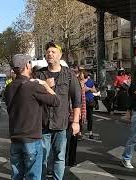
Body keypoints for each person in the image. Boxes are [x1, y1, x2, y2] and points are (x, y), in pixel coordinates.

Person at [5, 54, 60, 180]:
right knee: (33, 176)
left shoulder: (9, 88)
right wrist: (45, 85)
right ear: (27, 65)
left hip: (15, 138)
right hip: (31, 138)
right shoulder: (33, 86)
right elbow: (56, 101)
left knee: (16, 176)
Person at [35, 42, 82, 180]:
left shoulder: (69, 75)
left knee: (59, 157)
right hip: (42, 124)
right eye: (48, 52)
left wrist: (76, 122)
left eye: (53, 52)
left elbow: (76, 100)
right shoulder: (39, 74)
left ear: (60, 55)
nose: (50, 54)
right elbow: (32, 97)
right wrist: (44, 87)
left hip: (61, 124)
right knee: (42, 158)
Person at [66, 68, 86, 167]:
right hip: (67, 117)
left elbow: (82, 102)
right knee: (67, 141)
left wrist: (82, 116)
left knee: (72, 141)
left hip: (73, 117)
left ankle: (71, 160)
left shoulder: (79, 86)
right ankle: (68, 160)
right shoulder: (64, 85)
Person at [84, 71, 97, 139]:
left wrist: (88, 88)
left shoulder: (90, 81)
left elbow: (95, 90)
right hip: (81, 101)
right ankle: (79, 132)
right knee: (80, 117)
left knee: (90, 118)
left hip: (89, 101)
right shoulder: (79, 81)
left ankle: (90, 132)